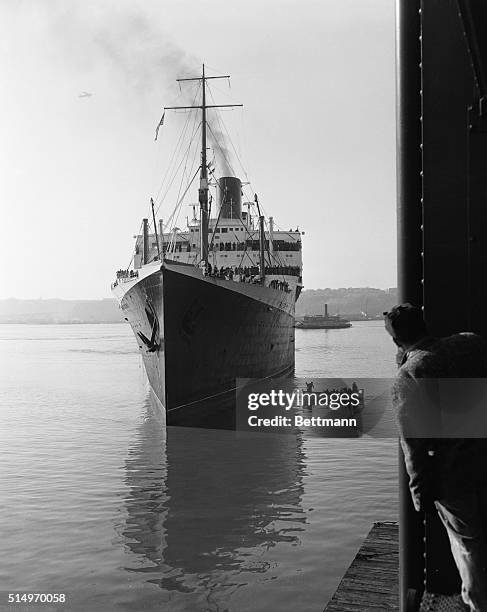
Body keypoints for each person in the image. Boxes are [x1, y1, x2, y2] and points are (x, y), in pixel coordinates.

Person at [384, 303, 487, 611]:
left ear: (395, 340)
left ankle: (478, 604)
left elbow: (412, 444)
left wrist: (419, 496)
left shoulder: (409, 375)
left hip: (455, 476)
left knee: (469, 544)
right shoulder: (470, 343)